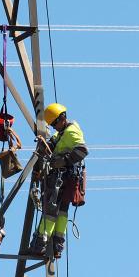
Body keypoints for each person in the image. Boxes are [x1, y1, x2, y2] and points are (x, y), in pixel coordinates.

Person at [29, 103, 87, 259]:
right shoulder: (63, 132)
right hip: (67, 177)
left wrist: (63, 161)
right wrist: (45, 144)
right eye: (52, 125)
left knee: (51, 210)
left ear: (62, 117)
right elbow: (54, 143)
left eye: (55, 123)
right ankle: (57, 245)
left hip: (63, 177)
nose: (54, 127)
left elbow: (82, 150)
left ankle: (39, 244)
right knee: (62, 212)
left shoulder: (72, 131)